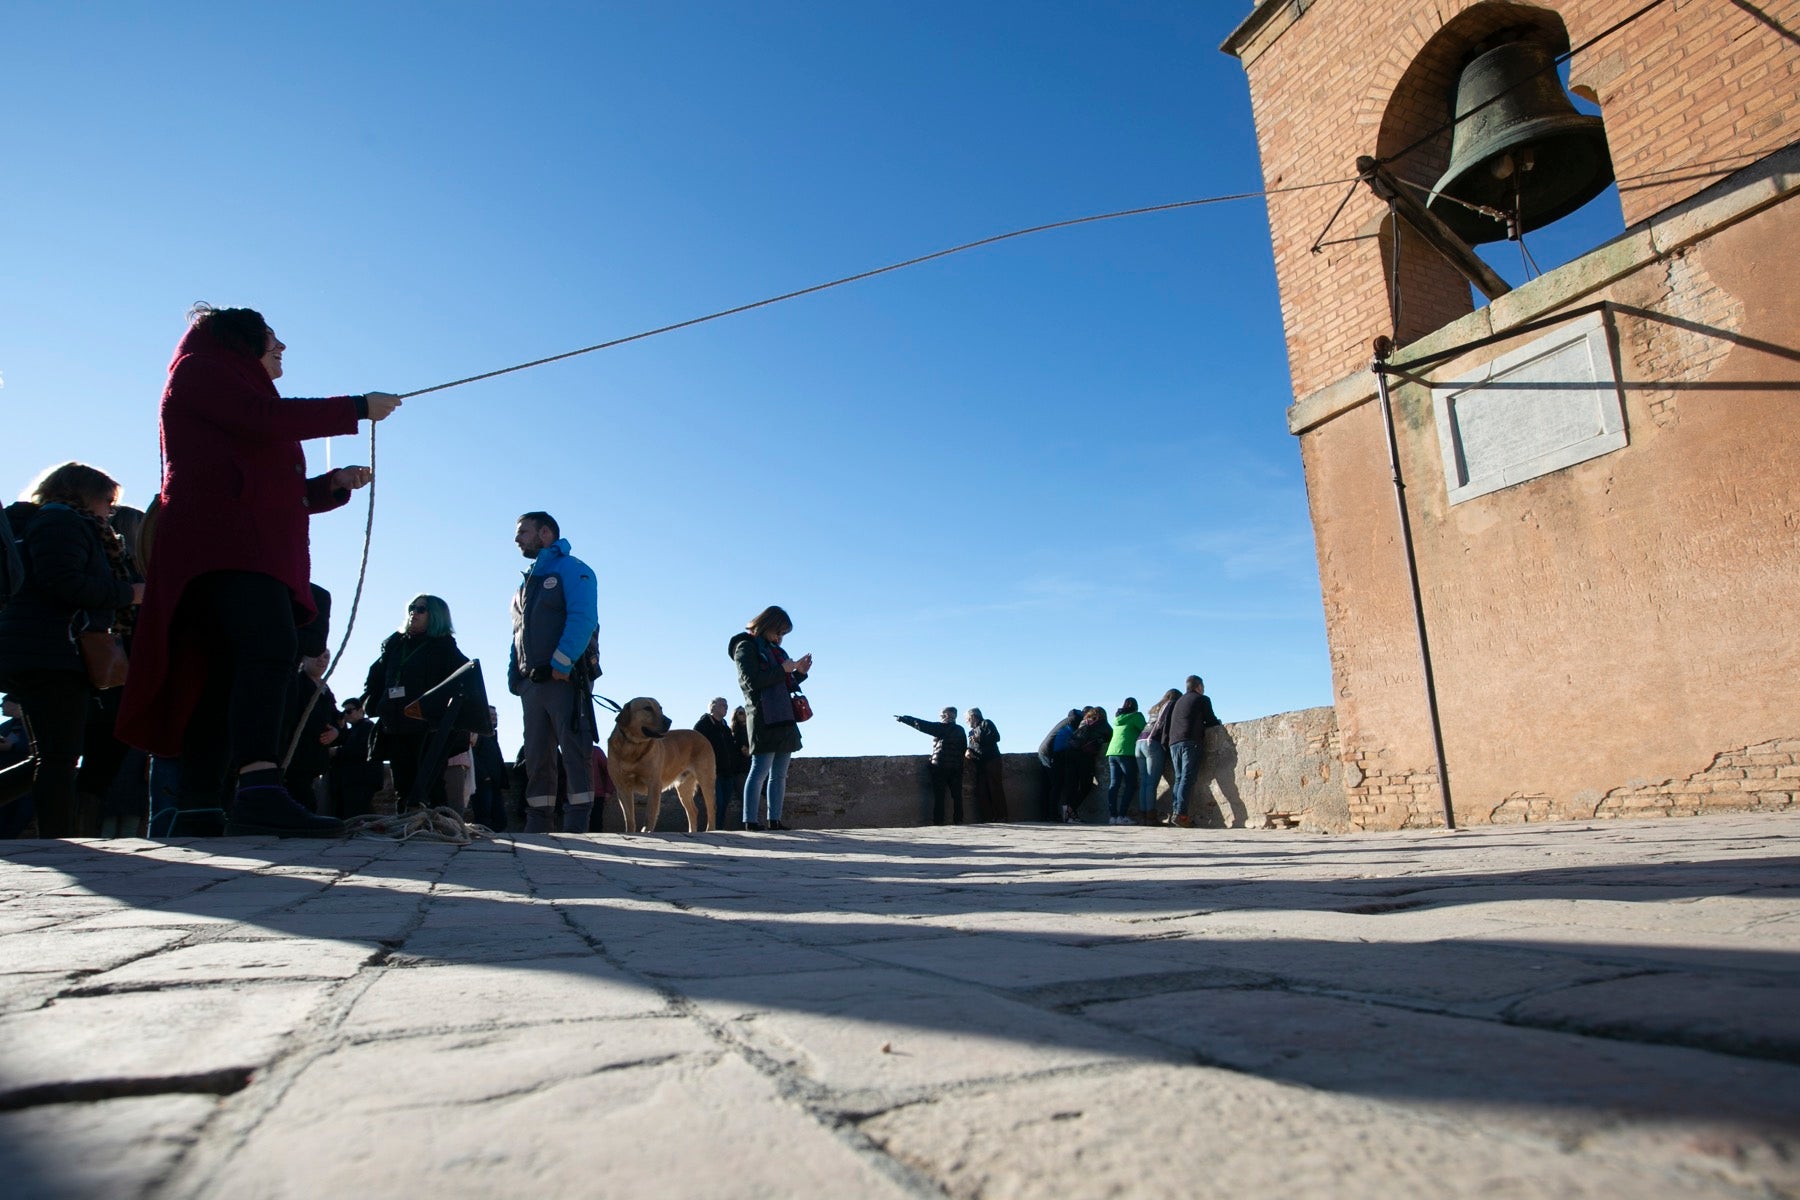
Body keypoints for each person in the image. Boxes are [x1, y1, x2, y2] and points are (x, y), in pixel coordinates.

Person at [117, 305, 401, 837]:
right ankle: (260, 791)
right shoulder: (200, 369)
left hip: (229, 550)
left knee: (220, 674)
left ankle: (201, 805)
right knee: (268, 654)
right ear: (241, 341)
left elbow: (264, 484)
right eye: (274, 338)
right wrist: (356, 407)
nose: (283, 348)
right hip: (229, 551)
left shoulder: (226, 387)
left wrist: (330, 483)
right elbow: (262, 424)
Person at [0, 464, 142, 837]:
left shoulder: (43, 522)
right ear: (83, 494)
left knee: (51, 755)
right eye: (107, 502)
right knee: (58, 757)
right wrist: (130, 593)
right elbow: (65, 583)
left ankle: (59, 834)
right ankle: (58, 839)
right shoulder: (60, 523)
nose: (108, 512)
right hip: (54, 651)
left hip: (39, 649)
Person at [508, 511, 599, 834]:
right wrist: (514, 676)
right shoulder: (525, 584)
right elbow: (518, 633)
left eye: (523, 532)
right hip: (531, 685)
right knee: (536, 756)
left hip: (563, 681)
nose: (517, 538)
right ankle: (538, 824)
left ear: (545, 533)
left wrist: (561, 663)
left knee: (575, 752)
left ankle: (577, 824)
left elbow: (583, 618)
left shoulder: (573, 570)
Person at [360, 594, 470, 811]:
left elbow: (464, 679)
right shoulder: (394, 644)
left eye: (421, 609)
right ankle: (406, 826)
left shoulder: (444, 646)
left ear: (436, 615)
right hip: (395, 723)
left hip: (426, 727)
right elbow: (375, 677)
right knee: (402, 784)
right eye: (412, 607)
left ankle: (438, 827)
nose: (414, 612)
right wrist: (372, 704)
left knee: (431, 784)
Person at [730, 605, 810, 832]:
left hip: (784, 716)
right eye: (779, 632)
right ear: (768, 625)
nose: (780, 637)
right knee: (759, 770)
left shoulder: (775, 651)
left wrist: (798, 674)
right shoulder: (745, 647)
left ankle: (775, 820)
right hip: (764, 716)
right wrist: (784, 670)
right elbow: (750, 681)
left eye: (783, 634)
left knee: (780, 774)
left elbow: (782, 684)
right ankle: (750, 820)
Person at [1167, 675, 1223, 828]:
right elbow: (1211, 720)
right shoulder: (1201, 699)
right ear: (1199, 686)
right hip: (1190, 741)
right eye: (1203, 686)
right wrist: (1217, 722)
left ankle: (1175, 813)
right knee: (1187, 778)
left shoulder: (1179, 701)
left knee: (1179, 779)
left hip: (1174, 742)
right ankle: (1181, 815)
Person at [896, 706, 967, 825]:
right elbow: (964, 748)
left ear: (946, 716)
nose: (940, 717)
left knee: (939, 796)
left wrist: (905, 719)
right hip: (956, 767)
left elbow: (922, 725)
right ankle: (958, 820)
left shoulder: (940, 728)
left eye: (941, 715)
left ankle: (939, 821)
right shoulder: (960, 730)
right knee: (957, 796)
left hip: (939, 766)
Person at [695, 697, 748, 831]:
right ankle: (713, 828)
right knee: (715, 802)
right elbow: (695, 745)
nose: (726, 706)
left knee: (724, 803)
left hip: (728, 772)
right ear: (712, 707)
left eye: (726, 704)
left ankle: (718, 828)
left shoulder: (725, 727)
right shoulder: (703, 724)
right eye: (722, 704)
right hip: (713, 772)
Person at [329, 697, 384, 819]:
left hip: (362, 778)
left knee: (356, 813)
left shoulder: (367, 726)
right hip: (356, 779)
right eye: (344, 712)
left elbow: (361, 750)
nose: (346, 715)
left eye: (349, 711)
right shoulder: (355, 729)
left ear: (360, 711)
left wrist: (337, 752)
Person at [1053, 707, 1109, 823]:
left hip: (1070, 754)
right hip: (1084, 757)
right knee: (1086, 785)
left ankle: (1068, 813)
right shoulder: (1102, 724)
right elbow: (1109, 736)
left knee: (1071, 785)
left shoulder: (1083, 722)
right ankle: (1071, 810)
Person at [1137, 688, 1181, 824]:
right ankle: (1150, 816)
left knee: (1144, 782)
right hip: (1152, 742)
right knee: (1151, 783)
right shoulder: (1171, 705)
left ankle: (1143, 815)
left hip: (1139, 742)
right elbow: (1164, 725)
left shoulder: (1156, 707)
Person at [1105, 697, 1146, 825]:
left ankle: (1113, 816)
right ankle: (1122, 815)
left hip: (1112, 752)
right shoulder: (1135, 716)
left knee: (1114, 784)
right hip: (1126, 752)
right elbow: (1145, 729)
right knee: (1130, 784)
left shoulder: (1117, 719)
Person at [964, 707, 1007, 822]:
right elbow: (971, 746)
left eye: (967, 719)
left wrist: (977, 737)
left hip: (992, 760)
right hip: (979, 763)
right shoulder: (971, 732)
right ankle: (989, 817)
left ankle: (1002, 816)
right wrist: (968, 751)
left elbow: (995, 737)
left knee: (995, 788)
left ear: (973, 717)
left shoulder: (986, 723)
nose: (966, 722)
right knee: (982, 790)